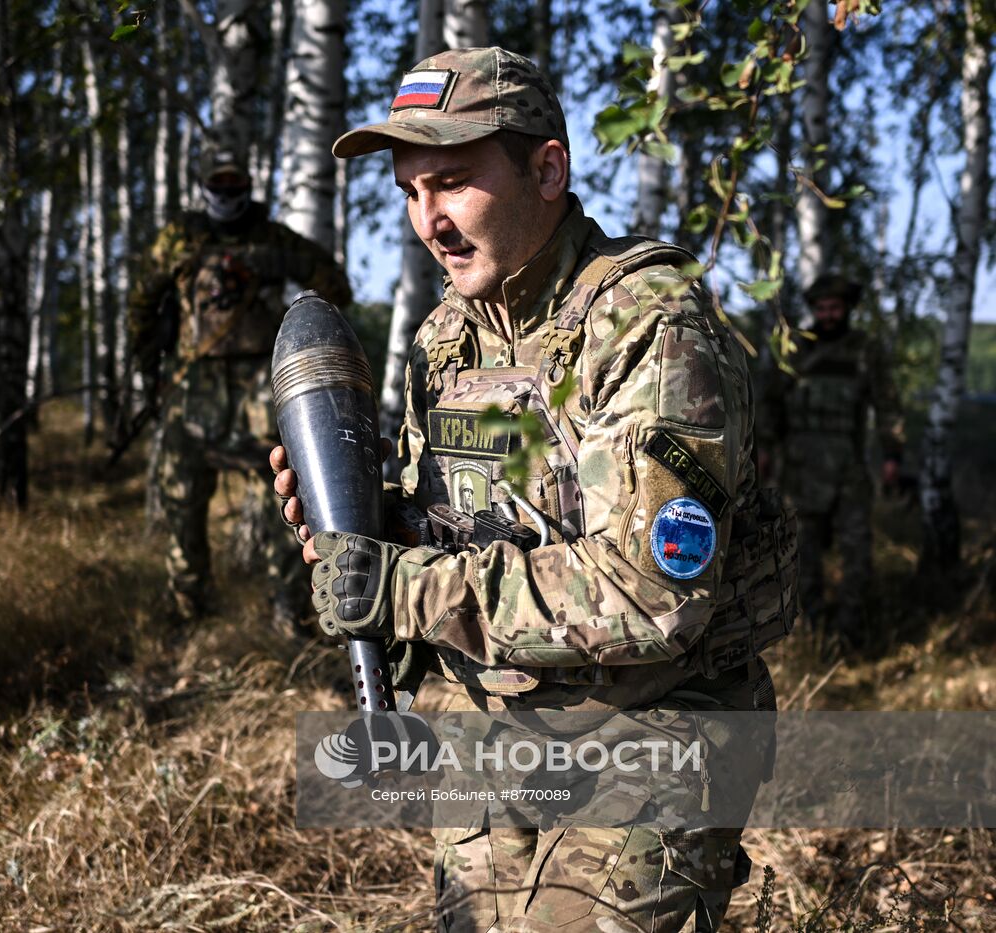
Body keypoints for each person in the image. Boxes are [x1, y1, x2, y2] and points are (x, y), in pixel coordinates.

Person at [272, 48, 797, 931]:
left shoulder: (648, 324)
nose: (427, 220)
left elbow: (652, 594)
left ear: (547, 168)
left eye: (450, 182)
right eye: (408, 192)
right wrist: (365, 533)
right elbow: (455, 532)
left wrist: (402, 589)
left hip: (656, 724)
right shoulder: (446, 341)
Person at [129, 146, 352, 632]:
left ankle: (289, 610)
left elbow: (336, 285)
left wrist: (273, 266)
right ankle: (189, 611)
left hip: (259, 385)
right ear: (204, 185)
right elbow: (141, 302)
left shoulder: (271, 237)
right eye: (219, 184)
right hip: (193, 384)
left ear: (247, 187)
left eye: (235, 185)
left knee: (287, 496)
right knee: (180, 494)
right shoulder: (179, 237)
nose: (227, 195)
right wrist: (146, 369)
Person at [757, 273, 904, 642]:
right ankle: (811, 627)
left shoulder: (865, 350)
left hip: (848, 469)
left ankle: (852, 629)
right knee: (800, 552)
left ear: (847, 309)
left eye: (834, 307)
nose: (828, 315)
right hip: (800, 469)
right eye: (821, 308)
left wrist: (892, 455)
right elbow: (771, 404)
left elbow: (887, 405)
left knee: (857, 549)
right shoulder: (796, 349)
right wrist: (763, 449)